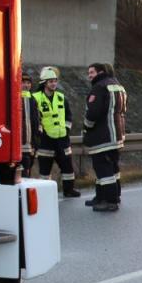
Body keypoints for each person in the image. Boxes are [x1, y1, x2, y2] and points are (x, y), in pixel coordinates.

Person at [83, 62, 127, 212]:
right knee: (112, 168)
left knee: (103, 169)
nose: (89, 76)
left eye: (92, 72)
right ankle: (105, 197)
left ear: (100, 72)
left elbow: (93, 113)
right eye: (89, 73)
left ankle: (110, 201)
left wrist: (86, 126)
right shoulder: (119, 86)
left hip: (102, 137)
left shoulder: (99, 87)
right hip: (117, 135)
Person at [33, 66, 80, 197]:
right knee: (45, 170)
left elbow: (68, 116)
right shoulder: (36, 98)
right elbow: (35, 119)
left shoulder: (61, 97)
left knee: (67, 168)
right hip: (45, 140)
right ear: (44, 83)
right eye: (51, 81)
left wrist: (66, 130)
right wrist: (40, 133)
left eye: (55, 81)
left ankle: (69, 190)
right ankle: (45, 193)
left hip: (62, 139)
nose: (54, 84)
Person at [19, 72, 39, 177]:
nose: (26, 85)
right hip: (18, 144)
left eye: (28, 83)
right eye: (23, 82)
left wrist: (37, 140)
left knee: (27, 171)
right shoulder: (14, 98)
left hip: (30, 144)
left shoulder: (33, 99)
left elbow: (37, 120)